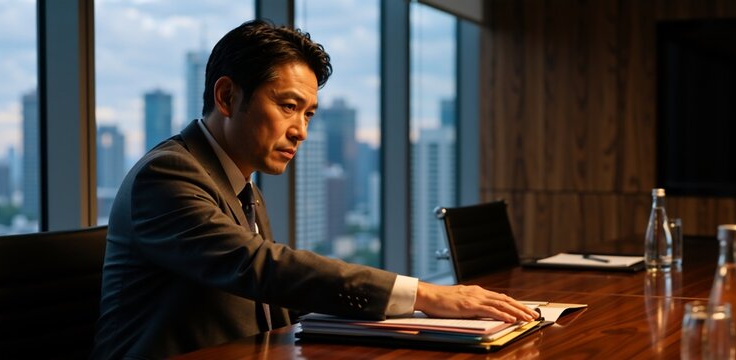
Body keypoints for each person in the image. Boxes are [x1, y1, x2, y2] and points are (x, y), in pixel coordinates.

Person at [91, 19, 536, 359]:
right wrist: (426, 295)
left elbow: (276, 299)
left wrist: (406, 316)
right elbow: (262, 268)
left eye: (309, 114)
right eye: (288, 107)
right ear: (226, 97)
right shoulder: (167, 175)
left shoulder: (239, 182)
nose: (300, 131)